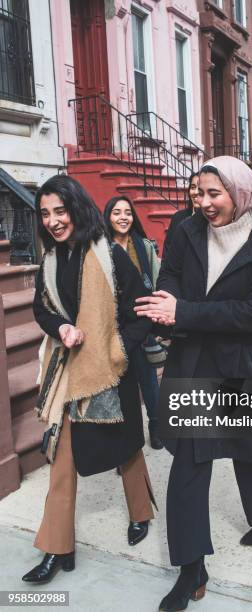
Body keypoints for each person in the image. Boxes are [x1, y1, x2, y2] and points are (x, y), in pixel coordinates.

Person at [135, 156, 252, 612]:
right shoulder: (185, 229)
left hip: (249, 360)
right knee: (188, 464)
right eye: (197, 193)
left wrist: (183, 312)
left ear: (238, 193)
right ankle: (190, 568)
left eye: (212, 194)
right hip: (197, 359)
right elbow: (170, 281)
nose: (202, 203)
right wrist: (169, 312)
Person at [23, 175, 156, 585]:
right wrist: (61, 327)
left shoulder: (110, 256)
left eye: (59, 211)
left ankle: (141, 513)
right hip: (68, 372)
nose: (53, 221)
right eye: (45, 214)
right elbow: (42, 308)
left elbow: (142, 312)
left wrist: (117, 348)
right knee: (61, 457)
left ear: (76, 209)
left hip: (112, 371)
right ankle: (56, 548)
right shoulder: (50, 262)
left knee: (127, 448)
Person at [103, 195, 163, 450]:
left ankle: (157, 425)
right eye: (117, 212)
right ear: (108, 217)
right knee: (121, 385)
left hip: (143, 321)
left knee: (148, 379)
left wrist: (158, 319)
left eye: (127, 212)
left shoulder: (144, 246)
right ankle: (127, 440)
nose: (123, 217)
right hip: (114, 325)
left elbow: (157, 280)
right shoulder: (100, 248)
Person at [162, 172, 199, 259]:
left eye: (200, 188)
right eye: (193, 187)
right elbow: (167, 253)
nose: (196, 192)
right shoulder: (178, 218)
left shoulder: (213, 221)